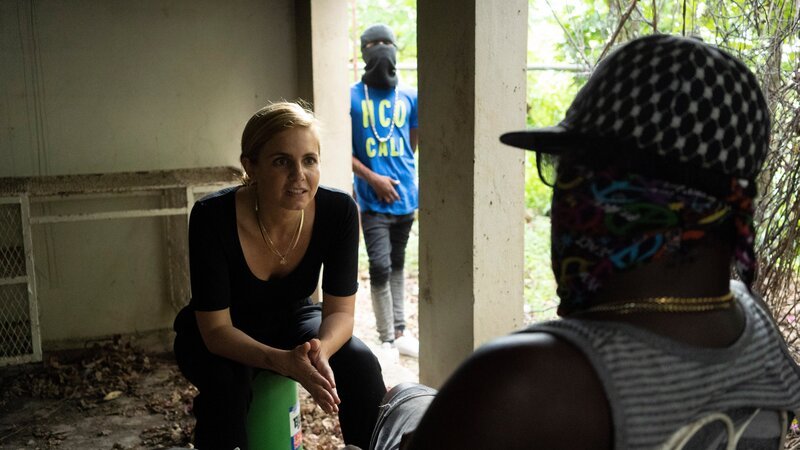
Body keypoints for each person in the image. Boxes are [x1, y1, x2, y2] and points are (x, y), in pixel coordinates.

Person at [367, 35, 800, 450]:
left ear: (622, 198)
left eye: (570, 173)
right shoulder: (757, 325)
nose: (563, 201)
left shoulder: (522, 382)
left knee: (402, 399)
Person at [172, 101, 387, 449]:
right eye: (281, 161)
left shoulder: (338, 212)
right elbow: (215, 331)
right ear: (251, 166)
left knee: (359, 363)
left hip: (293, 319)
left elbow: (340, 314)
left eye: (309, 160)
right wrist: (283, 362)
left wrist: (318, 352)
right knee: (228, 384)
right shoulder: (211, 216)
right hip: (220, 331)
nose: (299, 175)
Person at [351, 23, 420, 358]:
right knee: (378, 265)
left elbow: (413, 142)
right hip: (372, 201)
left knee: (397, 263)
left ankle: (400, 330)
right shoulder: (351, 96)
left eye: (386, 43)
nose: (381, 48)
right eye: (373, 44)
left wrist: (397, 175)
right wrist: (373, 178)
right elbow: (342, 149)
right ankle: (386, 339)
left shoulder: (410, 96)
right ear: (364, 51)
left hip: (406, 197)